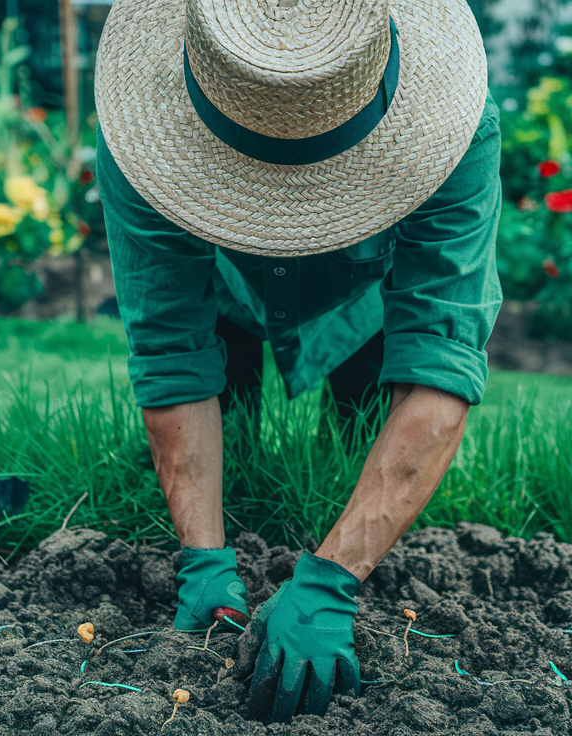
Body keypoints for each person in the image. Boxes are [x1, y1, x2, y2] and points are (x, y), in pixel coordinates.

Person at [94, 0, 501, 723]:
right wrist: (205, 561)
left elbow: (440, 367)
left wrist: (330, 579)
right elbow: (171, 350)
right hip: (228, 289)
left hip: (366, 300)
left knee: (356, 445)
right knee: (228, 438)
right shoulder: (140, 136)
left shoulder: (456, 133)